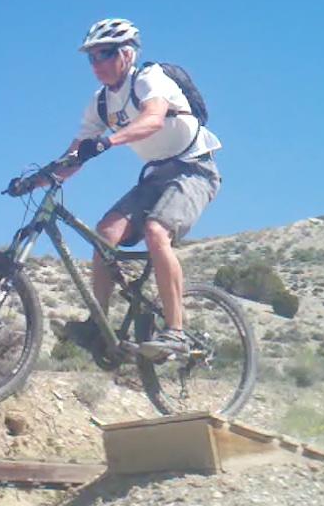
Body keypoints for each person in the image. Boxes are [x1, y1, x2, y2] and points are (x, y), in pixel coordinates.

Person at [57, 18, 223, 358]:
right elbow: (75, 153)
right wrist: (42, 177)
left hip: (194, 169)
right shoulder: (101, 102)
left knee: (156, 231)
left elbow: (152, 119)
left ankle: (176, 332)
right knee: (104, 232)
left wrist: (108, 142)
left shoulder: (149, 79)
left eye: (104, 54)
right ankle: (98, 326)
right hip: (156, 176)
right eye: (91, 58)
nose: (96, 64)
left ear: (127, 54)